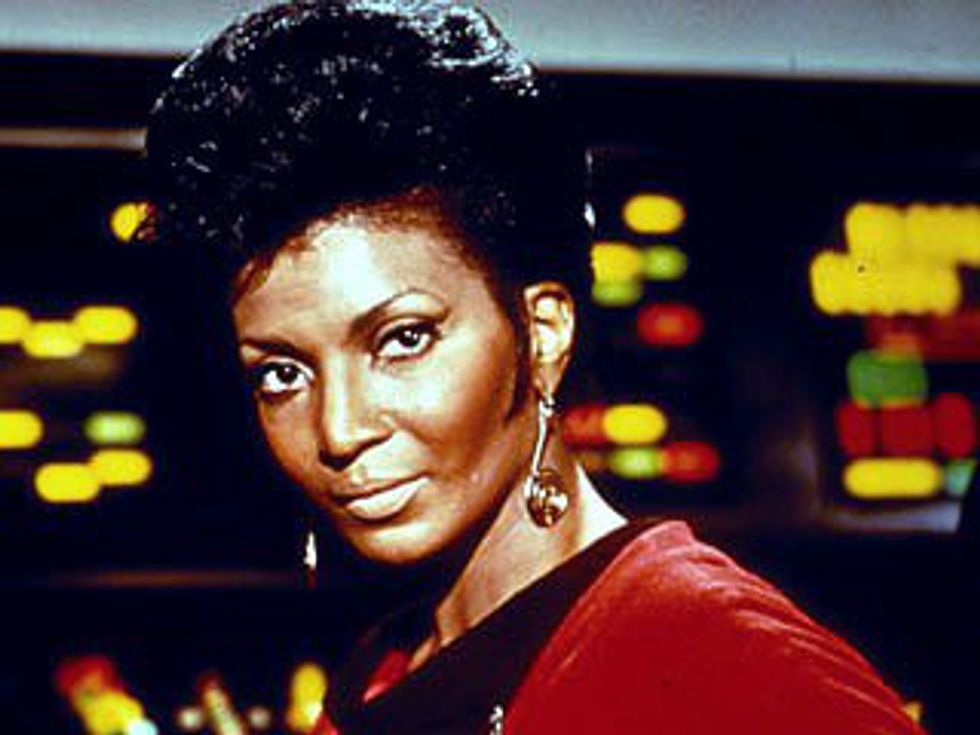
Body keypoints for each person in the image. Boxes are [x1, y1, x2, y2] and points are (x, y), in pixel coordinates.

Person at [143, 1, 925, 732]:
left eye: (403, 339)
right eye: (283, 372)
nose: (339, 430)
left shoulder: (727, 662)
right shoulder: (382, 674)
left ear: (542, 332)